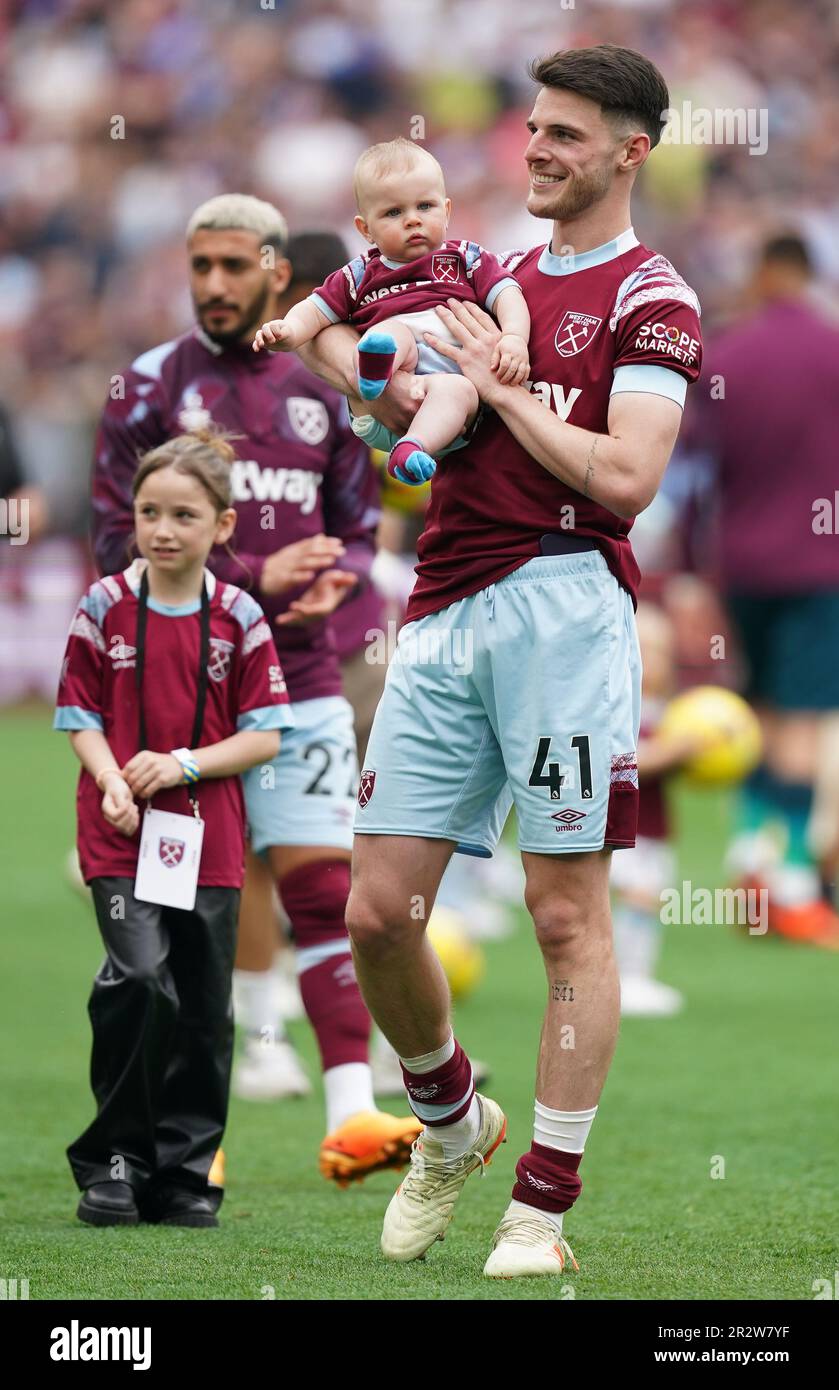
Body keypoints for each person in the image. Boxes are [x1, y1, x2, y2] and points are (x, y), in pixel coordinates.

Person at [300, 44, 703, 1277]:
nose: (534, 150)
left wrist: (504, 392)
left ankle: (541, 1204)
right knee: (376, 913)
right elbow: (394, 434)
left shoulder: (654, 295)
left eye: (565, 135)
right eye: (533, 129)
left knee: (561, 911)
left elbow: (627, 478)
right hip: (440, 603)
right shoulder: (488, 276)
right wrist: (361, 377)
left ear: (628, 152)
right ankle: (448, 1120)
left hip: (566, 604)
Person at [90, 193, 421, 1185]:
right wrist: (248, 585)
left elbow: (360, 523)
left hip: (303, 679)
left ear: (277, 269)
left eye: (235, 267)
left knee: (326, 888)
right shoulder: (146, 387)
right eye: (201, 268)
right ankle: (187, 1133)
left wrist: (338, 577)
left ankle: (353, 1116)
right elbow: (115, 549)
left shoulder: (324, 388)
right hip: (181, 695)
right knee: (181, 912)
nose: (216, 287)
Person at [55, 430, 291, 1228]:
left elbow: (265, 733)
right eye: (148, 511)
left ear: (221, 527)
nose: (161, 529)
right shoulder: (104, 604)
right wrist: (111, 776)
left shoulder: (240, 617)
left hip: (209, 836)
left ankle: (185, 1174)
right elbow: (80, 714)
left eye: (183, 515)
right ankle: (114, 1164)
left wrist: (185, 764)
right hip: (119, 829)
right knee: (137, 977)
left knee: (202, 1003)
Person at [689, 234, 839, 947]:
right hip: (820, 562)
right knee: (803, 719)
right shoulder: (830, 348)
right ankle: (796, 882)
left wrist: (694, 564)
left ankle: (750, 857)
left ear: (763, 268)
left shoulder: (727, 353)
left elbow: (694, 465)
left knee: (759, 709)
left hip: (741, 561)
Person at [253, 138, 531, 485]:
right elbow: (315, 310)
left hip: (446, 406)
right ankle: (373, 370)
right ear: (365, 228)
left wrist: (515, 338)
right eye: (393, 213)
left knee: (458, 391)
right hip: (379, 403)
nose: (412, 220)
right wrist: (289, 331)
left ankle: (413, 450)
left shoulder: (466, 258)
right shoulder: (359, 274)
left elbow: (507, 294)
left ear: (446, 211)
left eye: (425, 206)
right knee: (391, 335)